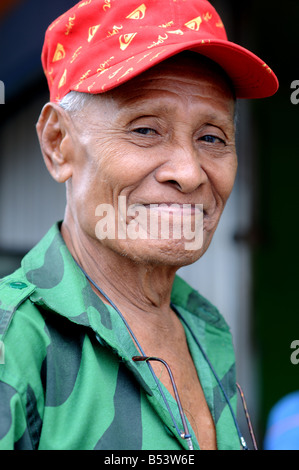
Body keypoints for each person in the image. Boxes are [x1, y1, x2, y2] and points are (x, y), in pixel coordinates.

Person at [0, 0, 278, 451]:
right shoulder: (15, 345)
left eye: (212, 137)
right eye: (145, 130)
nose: (189, 172)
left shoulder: (203, 328)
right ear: (58, 143)